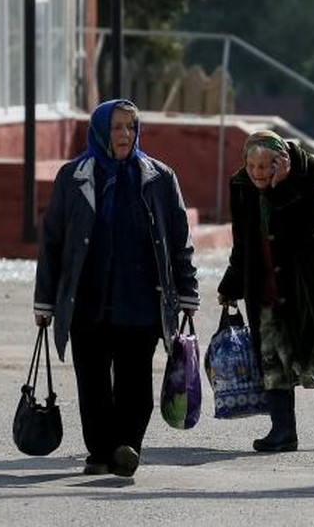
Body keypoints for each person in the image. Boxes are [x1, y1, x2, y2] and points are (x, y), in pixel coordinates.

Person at [34, 99, 200, 477]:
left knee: (135, 383)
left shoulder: (158, 178)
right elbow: (53, 243)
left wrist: (187, 290)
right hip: (87, 301)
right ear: (99, 130)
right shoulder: (73, 177)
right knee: (92, 383)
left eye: (130, 126)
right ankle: (99, 451)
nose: (125, 134)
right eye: (116, 127)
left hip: (139, 300)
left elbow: (178, 239)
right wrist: (45, 301)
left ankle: (127, 446)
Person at [217, 130, 314, 453]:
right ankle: (283, 430)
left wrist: (282, 188)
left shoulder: (312, 178)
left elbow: (307, 229)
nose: (257, 173)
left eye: (265, 167)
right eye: (251, 166)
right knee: (271, 356)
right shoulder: (241, 186)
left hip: (312, 284)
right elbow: (243, 240)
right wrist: (232, 282)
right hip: (265, 280)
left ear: (282, 162)